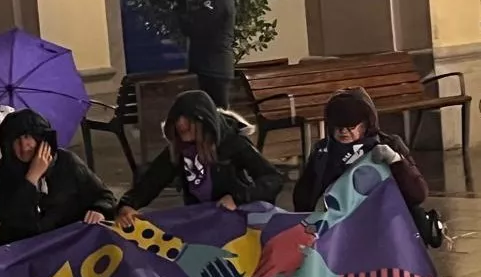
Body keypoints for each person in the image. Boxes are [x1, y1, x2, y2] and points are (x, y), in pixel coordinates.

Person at [292, 88, 439, 245]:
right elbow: (301, 200)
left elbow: (418, 194)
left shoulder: (387, 145)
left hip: (383, 229)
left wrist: (395, 160)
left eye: (350, 126)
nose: (343, 131)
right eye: (338, 126)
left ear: (365, 125)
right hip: (338, 232)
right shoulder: (322, 152)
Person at [117, 90, 282, 226]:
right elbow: (151, 181)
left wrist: (238, 198)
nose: (182, 130)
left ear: (204, 123)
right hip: (202, 221)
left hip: (237, 221)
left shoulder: (232, 143)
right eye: (179, 129)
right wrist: (127, 205)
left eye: (189, 127)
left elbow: (272, 178)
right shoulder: (178, 149)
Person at [0, 109, 117, 245]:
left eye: (27, 136)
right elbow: (7, 215)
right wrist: (32, 178)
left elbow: (105, 196)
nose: (23, 145)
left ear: (39, 138)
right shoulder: (6, 170)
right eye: (17, 139)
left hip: (67, 245)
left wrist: (99, 210)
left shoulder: (67, 162)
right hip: (26, 250)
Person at [177, 0, 237, 108]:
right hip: (211, 66)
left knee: (217, 116)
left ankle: (236, 132)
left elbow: (197, 27)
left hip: (213, 68)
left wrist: (182, 13)